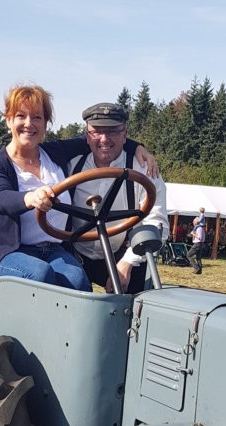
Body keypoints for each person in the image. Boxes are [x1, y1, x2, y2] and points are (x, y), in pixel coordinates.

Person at [0, 86, 156, 287]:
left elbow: (99, 139)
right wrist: (30, 197)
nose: (28, 124)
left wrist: (137, 147)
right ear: (8, 120)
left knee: (78, 281)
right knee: (40, 275)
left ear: (45, 123)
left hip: (54, 250)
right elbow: (0, 198)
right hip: (10, 251)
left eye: (37, 117)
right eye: (20, 116)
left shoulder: (54, 153)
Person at [66, 102, 169, 293]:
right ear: (87, 136)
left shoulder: (144, 171)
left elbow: (157, 224)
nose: (104, 139)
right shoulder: (71, 167)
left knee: (136, 301)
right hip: (75, 255)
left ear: (124, 134)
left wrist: (128, 263)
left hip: (122, 254)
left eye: (112, 131)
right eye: (97, 131)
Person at [186, 208, 206, 274]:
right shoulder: (200, 228)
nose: (193, 222)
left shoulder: (199, 228)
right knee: (198, 258)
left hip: (198, 243)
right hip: (200, 244)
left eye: (194, 221)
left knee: (188, 255)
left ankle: (196, 268)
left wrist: (193, 234)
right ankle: (199, 271)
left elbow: (199, 238)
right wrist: (192, 235)